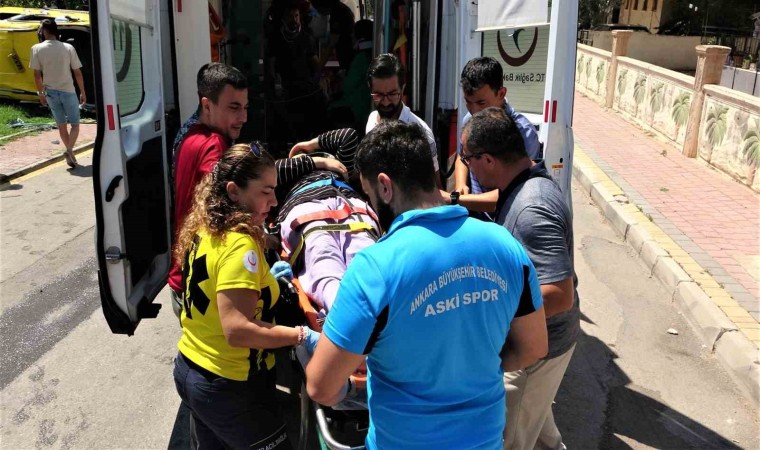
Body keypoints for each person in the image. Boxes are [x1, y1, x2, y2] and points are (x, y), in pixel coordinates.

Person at [304, 121, 549, 450]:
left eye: (368, 195)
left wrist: (351, 388)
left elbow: (321, 386)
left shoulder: (375, 268)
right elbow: (534, 347)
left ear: (385, 186)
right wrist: (474, 371)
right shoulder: (505, 246)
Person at [173, 143, 319, 449]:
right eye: (266, 191)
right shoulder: (241, 245)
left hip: (191, 367)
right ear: (234, 192)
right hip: (230, 384)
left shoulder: (205, 227)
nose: (274, 201)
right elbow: (238, 330)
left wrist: (267, 282)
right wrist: (301, 336)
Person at [461, 108, 580, 450]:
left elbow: (560, 294)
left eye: (468, 159)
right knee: (538, 428)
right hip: (538, 346)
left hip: (534, 352)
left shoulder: (531, 209)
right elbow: (499, 201)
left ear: (488, 160)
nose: (467, 167)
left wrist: (492, 314)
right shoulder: (523, 181)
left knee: (509, 438)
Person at [281, 128, 379, 313]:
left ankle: (374, 313)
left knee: (365, 259)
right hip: (308, 207)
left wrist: (309, 146)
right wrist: (316, 162)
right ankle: (343, 313)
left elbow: (348, 136)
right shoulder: (285, 178)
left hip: (350, 206)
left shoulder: (339, 167)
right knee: (323, 257)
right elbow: (271, 169)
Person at [449, 57, 541, 213]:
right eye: (468, 102)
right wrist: (461, 185)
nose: (474, 111)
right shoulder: (469, 120)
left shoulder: (524, 133)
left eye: (481, 103)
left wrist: (457, 200)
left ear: (501, 93)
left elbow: (517, 190)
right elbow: (462, 157)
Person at [365, 53, 440, 186]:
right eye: (378, 95)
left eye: (392, 94)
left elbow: (435, 187)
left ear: (403, 88)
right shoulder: (372, 120)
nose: (386, 102)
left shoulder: (421, 133)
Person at [266, 0, 328, 142]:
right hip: (287, 88)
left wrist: (322, 77)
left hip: (306, 86)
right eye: (290, 16)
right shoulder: (276, 38)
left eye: (296, 16)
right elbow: (271, 63)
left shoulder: (306, 37)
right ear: (283, 19)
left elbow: (314, 62)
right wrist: (276, 83)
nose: (294, 20)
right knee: (290, 123)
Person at [30, 19, 87, 169]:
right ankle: (69, 150)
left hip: (50, 92)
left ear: (44, 31)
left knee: (62, 126)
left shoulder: (36, 49)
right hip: (68, 91)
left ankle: (70, 152)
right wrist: (82, 92)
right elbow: (77, 72)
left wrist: (40, 93)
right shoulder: (68, 47)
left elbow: (37, 75)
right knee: (75, 124)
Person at [328, 19, 374, 132]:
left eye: (353, 35)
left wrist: (341, 79)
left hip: (357, 109)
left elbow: (347, 86)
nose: (352, 38)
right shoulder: (370, 55)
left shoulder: (361, 58)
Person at [312, 0, 356, 71]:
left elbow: (333, 42)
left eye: (318, 9)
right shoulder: (340, 9)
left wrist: (320, 65)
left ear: (323, 6)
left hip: (347, 52)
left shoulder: (337, 13)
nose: (319, 12)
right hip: (348, 51)